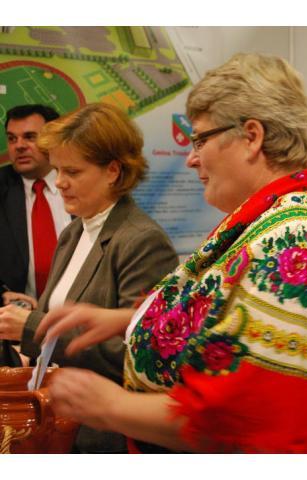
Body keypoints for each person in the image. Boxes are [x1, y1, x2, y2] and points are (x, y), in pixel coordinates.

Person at [35, 53, 307, 453]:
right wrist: (126, 320)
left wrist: (110, 405)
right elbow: (232, 320)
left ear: (252, 137)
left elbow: (245, 416)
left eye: (200, 139)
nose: (192, 157)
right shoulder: (270, 220)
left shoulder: (293, 237)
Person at [0, 102, 179, 453]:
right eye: (57, 170)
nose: (59, 182)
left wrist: (32, 330)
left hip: (106, 437)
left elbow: (139, 356)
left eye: (72, 171)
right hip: (60, 423)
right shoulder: (74, 231)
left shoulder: (141, 240)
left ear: (113, 171)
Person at [0, 104, 71, 297]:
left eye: (30, 137)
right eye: (12, 138)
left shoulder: (82, 184)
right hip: (16, 311)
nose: (19, 146)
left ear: (54, 139)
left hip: (84, 310)